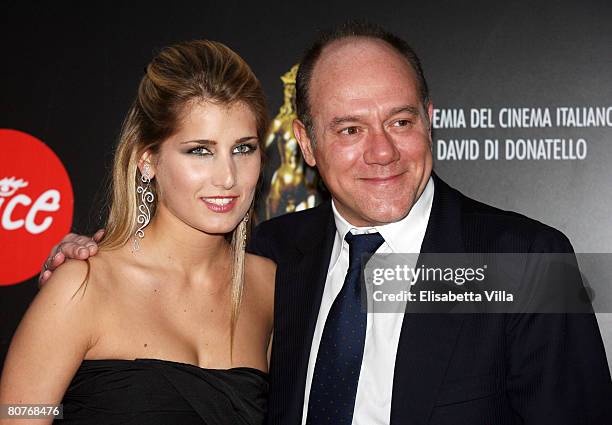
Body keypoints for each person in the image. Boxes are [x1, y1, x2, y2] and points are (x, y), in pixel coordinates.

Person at [36, 22, 612, 424]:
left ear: (430, 120)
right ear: (306, 143)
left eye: (401, 121)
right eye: (349, 129)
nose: (382, 152)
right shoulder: (272, 259)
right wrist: (94, 256)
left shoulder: (526, 262)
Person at [0, 40, 274, 425]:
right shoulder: (86, 285)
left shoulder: (271, 287)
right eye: (200, 150)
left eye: (243, 149)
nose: (227, 177)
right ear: (148, 159)